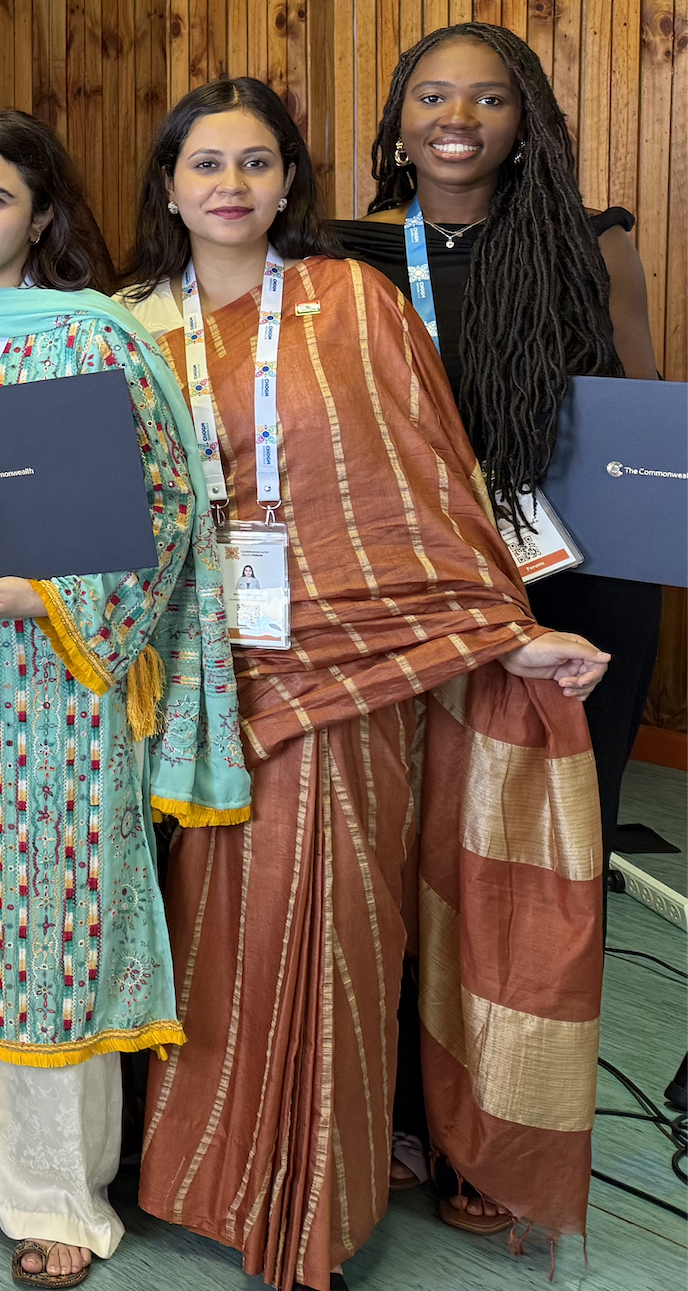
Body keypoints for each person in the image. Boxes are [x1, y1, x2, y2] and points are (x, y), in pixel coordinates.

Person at [127, 77, 611, 1291]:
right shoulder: (129, 324)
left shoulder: (355, 301)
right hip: (188, 677)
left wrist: (503, 632)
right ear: (169, 186)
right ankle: (212, 1174)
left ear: (291, 181)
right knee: (204, 936)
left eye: (254, 164)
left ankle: (309, 1211)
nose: (229, 186)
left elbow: (430, 488)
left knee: (336, 930)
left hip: (353, 668)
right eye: (204, 165)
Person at [0, 107, 248, 1291]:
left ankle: (54, 1192)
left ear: (40, 217)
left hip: (54, 697)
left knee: (43, 936)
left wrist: (54, 595)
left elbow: (168, 509)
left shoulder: (98, 338)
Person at [327, 21, 661, 892]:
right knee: (416, 831)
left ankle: (541, 1019)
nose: (458, 116)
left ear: (528, 121)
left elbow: (642, 413)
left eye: (490, 96)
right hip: (411, 573)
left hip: (576, 568)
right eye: (431, 95)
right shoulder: (343, 257)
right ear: (400, 121)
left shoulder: (593, 244)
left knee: (560, 831)